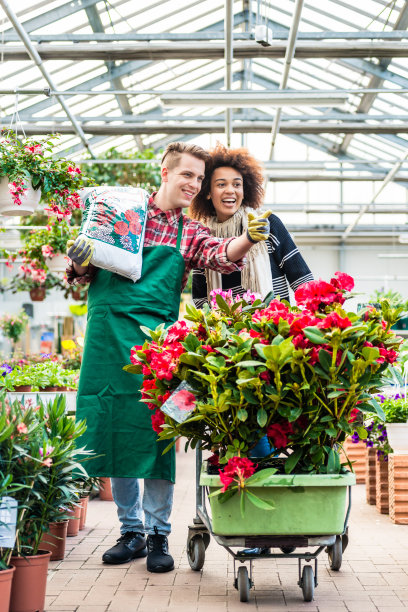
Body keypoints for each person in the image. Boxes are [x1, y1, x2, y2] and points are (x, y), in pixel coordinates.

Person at [67, 142, 272, 574]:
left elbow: (221, 257)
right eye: (188, 176)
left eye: (199, 179)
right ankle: (131, 531)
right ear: (164, 172)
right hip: (106, 338)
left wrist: (245, 240)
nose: (195, 185)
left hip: (157, 347)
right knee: (114, 427)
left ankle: (159, 532)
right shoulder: (121, 215)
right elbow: (83, 271)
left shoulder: (189, 231)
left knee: (159, 431)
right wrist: (82, 262)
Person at [190, 144, 314, 554]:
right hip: (230, 353)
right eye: (220, 183)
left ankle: (281, 519)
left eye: (237, 183)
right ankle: (263, 526)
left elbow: (299, 275)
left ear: (248, 188)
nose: (230, 190)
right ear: (207, 191)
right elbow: (202, 301)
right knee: (246, 430)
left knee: (276, 428)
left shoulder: (267, 223)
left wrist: (320, 319)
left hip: (275, 344)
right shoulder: (201, 238)